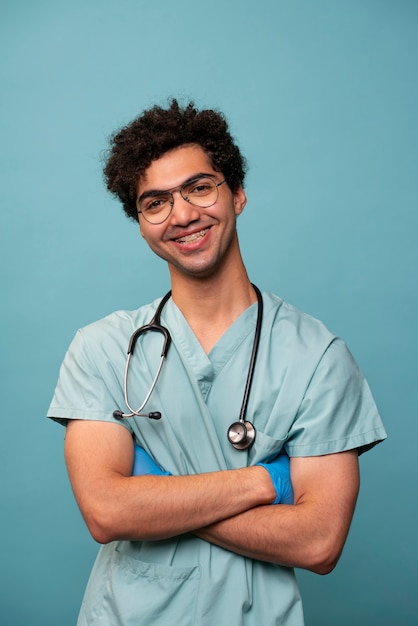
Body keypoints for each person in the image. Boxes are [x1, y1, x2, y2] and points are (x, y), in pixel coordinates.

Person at [47, 99, 387, 625]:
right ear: (140, 224)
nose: (182, 215)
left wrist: (156, 490)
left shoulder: (318, 358)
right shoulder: (104, 348)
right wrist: (267, 484)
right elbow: (107, 512)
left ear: (239, 194)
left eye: (200, 188)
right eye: (155, 202)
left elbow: (320, 541)